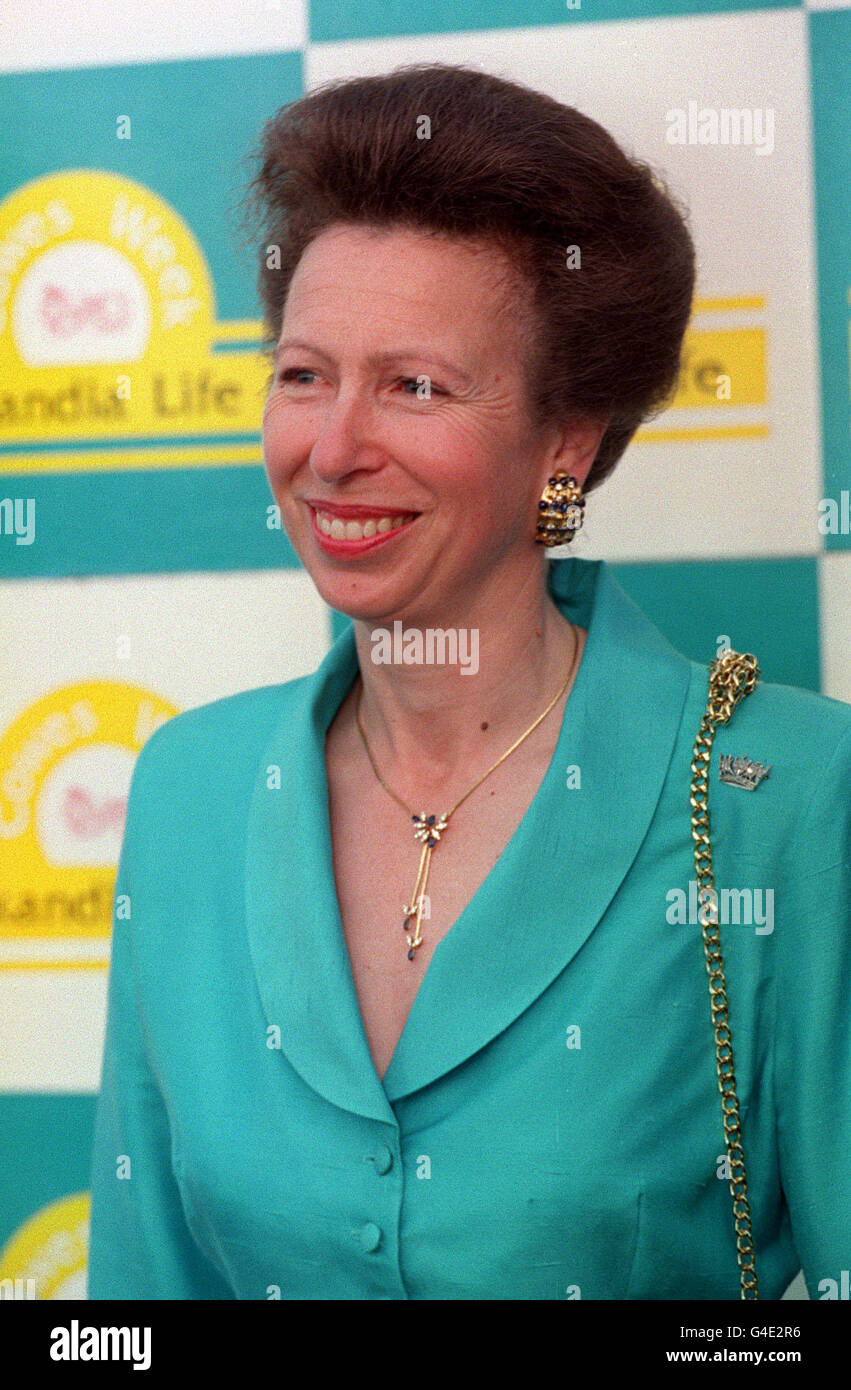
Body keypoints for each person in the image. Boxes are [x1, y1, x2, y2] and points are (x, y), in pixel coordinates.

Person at [88, 63, 851, 1301]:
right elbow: (142, 1298)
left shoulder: (785, 795)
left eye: (414, 386)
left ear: (565, 437)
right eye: (302, 373)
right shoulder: (191, 787)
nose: (332, 450)